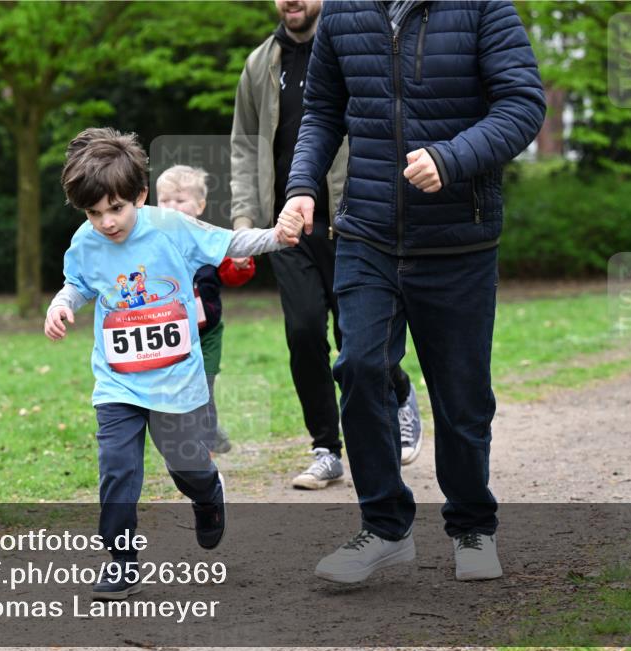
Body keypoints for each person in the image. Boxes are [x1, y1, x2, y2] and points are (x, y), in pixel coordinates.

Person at [282, 0, 546, 582]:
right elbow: (322, 109)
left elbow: (524, 105)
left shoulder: (482, 7)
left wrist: (452, 159)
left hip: (459, 239)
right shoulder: (344, 12)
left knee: (462, 396)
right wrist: (303, 185)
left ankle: (473, 526)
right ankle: (383, 527)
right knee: (358, 367)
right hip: (367, 233)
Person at [44, 128, 304, 600]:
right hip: (118, 383)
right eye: (94, 212)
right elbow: (77, 283)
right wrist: (61, 305)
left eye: (116, 209)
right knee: (118, 470)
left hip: (175, 383)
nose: (106, 222)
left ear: (140, 195)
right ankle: (121, 562)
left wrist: (277, 238)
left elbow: (231, 243)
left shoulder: (170, 227)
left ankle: (208, 495)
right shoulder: (86, 240)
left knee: (187, 468)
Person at [230, 0, 423, 492]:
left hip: (352, 218)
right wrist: (244, 221)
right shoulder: (260, 64)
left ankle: (398, 393)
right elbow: (245, 145)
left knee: (358, 341)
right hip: (289, 224)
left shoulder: (354, 47)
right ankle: (325, 448)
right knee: (303, 331)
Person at [156, 165, 253, 455]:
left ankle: (205, 444)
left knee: (204, 384)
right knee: (176, 388)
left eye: (180, 200)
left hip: (207, 331)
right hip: (170, 331)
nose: (172, 207)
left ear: (200, 206)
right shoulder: (152, 242)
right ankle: (206, 432)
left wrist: (240, 264)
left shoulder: (211, 238)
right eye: (165, 201)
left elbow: (232, 275)